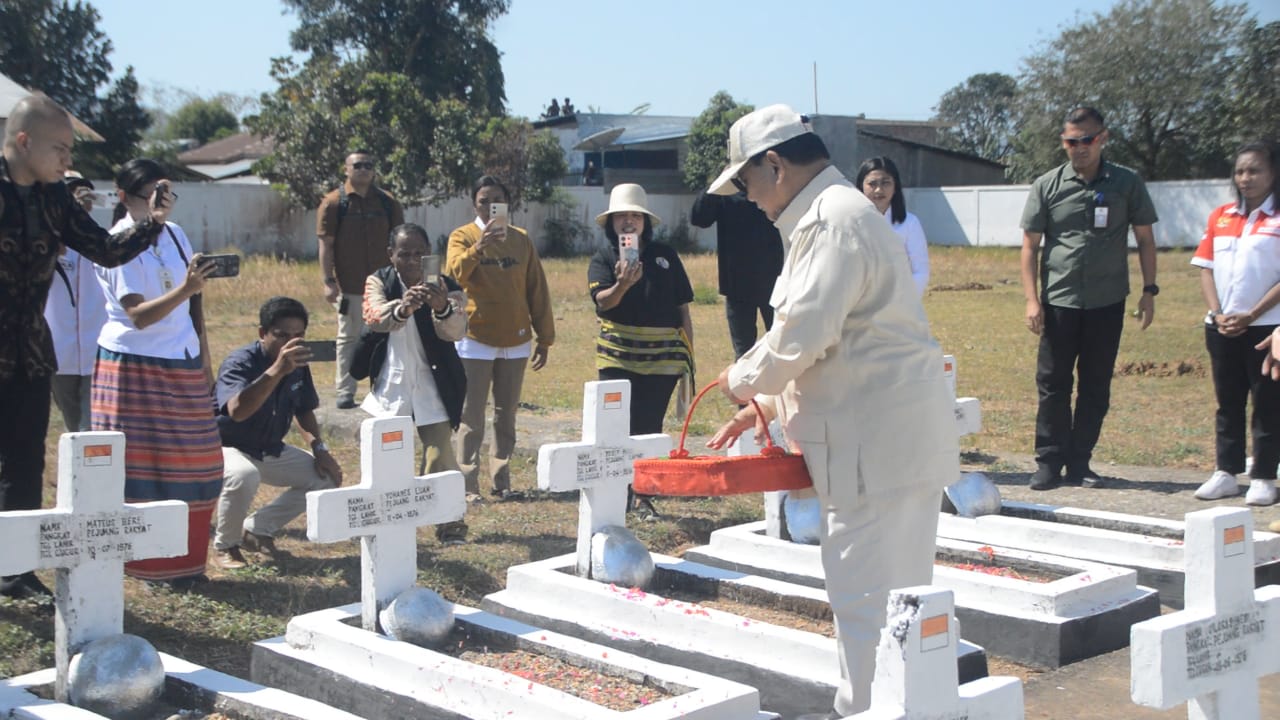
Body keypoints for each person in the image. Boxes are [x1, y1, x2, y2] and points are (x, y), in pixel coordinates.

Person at [703, 104, 958, 718]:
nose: (750, 199)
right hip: (890, 447)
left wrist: (739, 381)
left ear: (775, 164)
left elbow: (802, 335)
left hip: (871, 455)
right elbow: (840, 340)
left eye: (747, 184)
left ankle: (867, 711)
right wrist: (763, 402)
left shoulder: (829, 222)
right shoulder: (839, 214)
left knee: (868, 612)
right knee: (900, 609)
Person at [0, 96, 164, 601]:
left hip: (28, 345)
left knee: (26, 459)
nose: (68, 161)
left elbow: (104, 249)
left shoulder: (54, 198)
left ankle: (15, 570)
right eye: (60, 149)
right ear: (24, 142)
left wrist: (151, 223)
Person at [92, 158, 223, 586]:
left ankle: (187, 562)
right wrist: (186, 288)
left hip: (180, 358)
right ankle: (145, 566)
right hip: (135, 366)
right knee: (143, 470)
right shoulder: (115, 243)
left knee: (197, 464)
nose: (159, 201)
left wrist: (202, 354)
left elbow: (193, 298)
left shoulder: (175, 234)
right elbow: (139, 317)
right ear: (124, 196)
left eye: (164, 192)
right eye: (150, 193)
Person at [1020, 106, 1159, 491]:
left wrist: (1150, 290)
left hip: (1106, 300)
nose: (1079, 148)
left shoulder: (1126, 183)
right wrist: (1033, 301)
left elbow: (1146, 239)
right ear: (1063, 142)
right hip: (1059, 301)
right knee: (1053, 384)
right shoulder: (1047, 185)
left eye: (1087, 140)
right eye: (1071, 141)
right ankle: (1049, 462)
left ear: (1103, 138)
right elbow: (1030, 247)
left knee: (1095, 385)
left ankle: (1080, 462)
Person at [213, 297, 344, 569]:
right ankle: (227, 546)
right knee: (243, 475)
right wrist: (277, 370)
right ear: (263, 333)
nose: (290, 343)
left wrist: (320, 449)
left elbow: (304, 409)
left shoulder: (298, 365)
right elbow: (236, 411)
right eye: (282, 335)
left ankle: (258, 529)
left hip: (268, 447)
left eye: (298, 335)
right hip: (225, 446)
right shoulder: (240, 362)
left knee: (326, 478)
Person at [446, 176, 555, 500]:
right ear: (474, 203)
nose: (489, 205)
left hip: (516, 339)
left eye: (497, 200)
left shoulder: (521, 240)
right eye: (483, 200)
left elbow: (537, 289)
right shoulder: (462, 236)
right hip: (475, 337)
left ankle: (501, 480)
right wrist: (479, 248)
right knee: (471, 415)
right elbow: (452, 275)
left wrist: (545, 337)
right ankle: (467, 484)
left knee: (506, 414)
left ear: (506, 205)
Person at [362, 223, 470, 542]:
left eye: (420, 253)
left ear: (429, 254)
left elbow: (458, 331)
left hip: (433, 382)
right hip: (391, 383)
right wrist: (403, 307)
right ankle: (378, 518)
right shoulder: (378, 280)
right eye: (404, 253)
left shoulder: (447, 285)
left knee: (440, 456)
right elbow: (374, 318)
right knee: (385, 456)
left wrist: (442, 308)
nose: (412, 261)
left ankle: (449, 522)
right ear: (390, 255)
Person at [1191, 141, 1280, 507]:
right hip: (1221, 326)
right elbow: (1206, 269)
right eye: (1241, 171)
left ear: (1273, 174)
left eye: (1255, 170)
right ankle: (1226, 472)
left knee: (1267, 401)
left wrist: (1252, 315)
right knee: (1227, 402)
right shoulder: (1221, 216)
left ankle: (1263, 476)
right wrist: (1218, 313)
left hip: (1266, 329)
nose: (1246, 178)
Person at [589, 183, 694, 435]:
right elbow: (602, 302)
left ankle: (643, 476)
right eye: (622, 216)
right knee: (614, 428)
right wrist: (622, 285)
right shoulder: (603, 258)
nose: (629, 221)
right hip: (617, 357)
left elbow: (683, 309)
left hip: (663, 360)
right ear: (611, 222)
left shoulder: (665, 255)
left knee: (648, 428)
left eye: (635, 215)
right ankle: (618, 476)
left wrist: (689, 357)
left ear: (645, 222)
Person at [317, 150, 405, 409]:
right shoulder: (333, 203)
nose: (363, 170)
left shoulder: (388, 202)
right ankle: (345, 390)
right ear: (346, 169)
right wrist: (328, 280)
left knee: (388, 336)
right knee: (349, 337)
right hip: (351, 285)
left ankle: (383, 389)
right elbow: (326, 245)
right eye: (358, 165)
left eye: (368, 165)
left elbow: (401, 240)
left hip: (386, 284)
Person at [44, 171, 109, 432]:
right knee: (73, 426)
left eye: (86, 192)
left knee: (90, 427)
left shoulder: (101, 242)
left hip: (97, 348)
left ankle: (90, 471)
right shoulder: (48, 239)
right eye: (74, 193)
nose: (82, 198)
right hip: (60, 351)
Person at [690, 190, 784, 358]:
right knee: (743, 354)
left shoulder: (774, 181)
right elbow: (699, 218)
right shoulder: (725, 191)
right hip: (737, 285)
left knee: (782, 346)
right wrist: (716, 185)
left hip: (775, 283)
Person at [855, 156, 929, 296]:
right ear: (861, 187)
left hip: (899, 305)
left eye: (885, 183)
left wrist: (902, 302)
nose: (878, 190)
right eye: (872, 184)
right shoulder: (851, 223)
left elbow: (920, 271)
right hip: (859, 305)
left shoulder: (910, 223)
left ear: (895, 187)